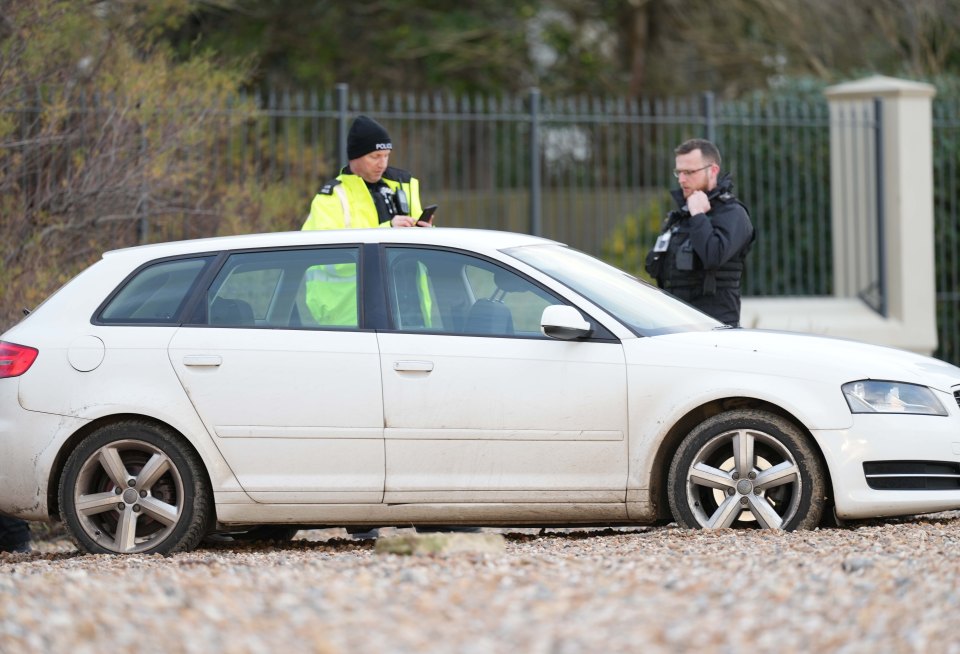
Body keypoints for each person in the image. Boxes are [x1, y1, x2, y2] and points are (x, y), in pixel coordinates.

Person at [645, 138, 754, 327]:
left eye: (689, 172)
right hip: (675, 323)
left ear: (713, 171)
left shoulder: (733, 214)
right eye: (678, 172)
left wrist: (698, 216)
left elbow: (713, 256)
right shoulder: (681, 216)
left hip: (713, 328)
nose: (681, 179)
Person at [302, 114, 433, 231]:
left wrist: (426, 232)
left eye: (386, 156)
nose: (383, 164)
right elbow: (327, 250)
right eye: (375, 157)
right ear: (355, 156)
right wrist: (388, 230)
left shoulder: (402, 185)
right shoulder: (331, 197)